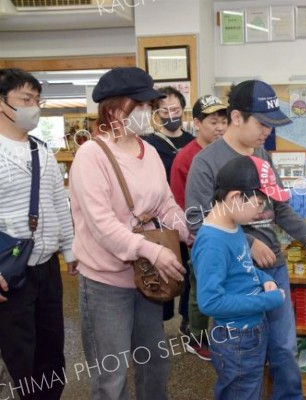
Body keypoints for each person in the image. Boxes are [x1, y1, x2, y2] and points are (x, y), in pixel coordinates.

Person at [186, 80, 306, 400]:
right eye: (262, 123)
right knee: (243, 358)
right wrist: (249, 243)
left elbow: (278, 206)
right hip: (235, 275)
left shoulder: (262, 153)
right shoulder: (206, 162)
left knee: (284, 350)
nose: (267, 131)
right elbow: (196, 220)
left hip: (271, 268)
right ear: (237, 117)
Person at [69, 67, 191, 400]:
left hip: (147, 279)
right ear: (114, 109)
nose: (147, 112)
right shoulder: (90, 156)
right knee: (111, 375)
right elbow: (102, 225)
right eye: (140, 105)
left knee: (154, 362)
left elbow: (165, 204)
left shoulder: (148, 151)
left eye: (148, 105)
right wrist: (153, 251)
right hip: (106, 284)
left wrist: (188, 231)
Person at [0, 68, 77, 400]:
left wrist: (70, 250)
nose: (35, 106)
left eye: (37, 99)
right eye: (26, 99)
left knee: (51, 352)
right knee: (21, 356)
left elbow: (59, 202)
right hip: (11, 272)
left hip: (47, 268)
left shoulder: (41, 149)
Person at [193, 155, 287, 400]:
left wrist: (262, 276)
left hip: (250, 330)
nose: (262, 211)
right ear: (235, 197)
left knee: (249, 390)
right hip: (236, 339)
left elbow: (242, 266)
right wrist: (269, 301)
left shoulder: (232, 227)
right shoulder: (213, 243)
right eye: (258, 203)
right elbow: (210, 302)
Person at [170, 94, 227, 359]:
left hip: (226, 232)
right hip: (199, 235)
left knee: (219, 285)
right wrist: (196, 236)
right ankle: (197, 337)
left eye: (223, 121)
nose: (219, 127)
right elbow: (180, 203)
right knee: (200, 287)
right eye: (213, 121)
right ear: (196, 123)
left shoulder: (226, 151)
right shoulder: (186, 157)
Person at [144, 86, 195, 325]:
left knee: (189, 268)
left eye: (174, 109)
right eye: (163, 111)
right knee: (162, 265)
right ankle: (159, 318)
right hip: (158, 218)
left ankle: (187, 318)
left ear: (183, 110)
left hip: (189, 213)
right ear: (156, 113)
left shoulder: (194, 143)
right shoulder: (147, 144)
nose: (170, 115)